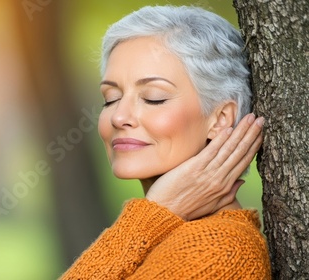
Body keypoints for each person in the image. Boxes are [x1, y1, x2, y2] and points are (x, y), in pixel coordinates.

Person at [60, 5, 271, 280]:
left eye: (153, 97)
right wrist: (159, 212)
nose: (119, 116)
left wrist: (152, 216)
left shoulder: (218, 250)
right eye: (110, 98)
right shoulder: (164, 233)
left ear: (220, 119)